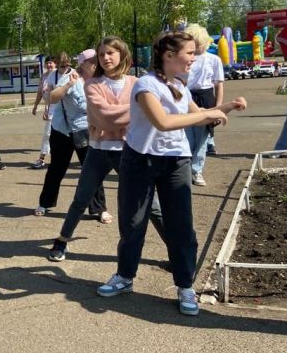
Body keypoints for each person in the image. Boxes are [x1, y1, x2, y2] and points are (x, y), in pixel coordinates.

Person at [97, 31, 247, 316]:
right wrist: (204, 116)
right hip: (139, 161)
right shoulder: (146, 85)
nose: (194, 58)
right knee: (133, 224)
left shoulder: (179, 84)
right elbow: (164, 122)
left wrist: (226, 107)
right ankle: (125, 277)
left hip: (175, 161)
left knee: (181, 227)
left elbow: (199, 111)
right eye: (190, 53)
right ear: (168, 56)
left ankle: (185, 286)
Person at [49, 38, 166, 261]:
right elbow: (105, 119)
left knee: (151, 204)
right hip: (98, 151)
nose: (105, 58)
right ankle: (62, 240)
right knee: (81, 199)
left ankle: (176, 251)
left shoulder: (135, 82)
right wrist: (142, 109)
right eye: (102, 55)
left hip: (131, 151)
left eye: (110, 53)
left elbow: (153, 109)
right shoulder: (92, 84)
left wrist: (145, 110)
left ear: (122, 55)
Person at [34, 52, 107, 221]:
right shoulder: (72, 76)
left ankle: (100, 208)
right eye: (94, 63)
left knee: (92, 170)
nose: (97, 66)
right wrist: (68, 85)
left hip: (86, 129)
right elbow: (52, 98)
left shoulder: (101, 80)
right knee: (57, 169)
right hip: (63, 129)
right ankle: (45, 203)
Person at [182, 24, 224, 186]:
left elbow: (219, 85)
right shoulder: (185, 59)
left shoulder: (214, 60)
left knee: (202, 138)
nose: (198, 48)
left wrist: (218, 107)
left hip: (206, 97)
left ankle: (196, 169)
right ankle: (185, 169)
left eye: (200, 44)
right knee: (187, 137)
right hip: (186, 96)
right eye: (194, 44)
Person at [30, 56, 57, 169]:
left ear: (55, 64)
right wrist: (35, 106)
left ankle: (85, 158)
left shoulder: (58, 75)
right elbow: (40, 93)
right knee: (48, 134)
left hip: (59, 109)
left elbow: (54, 95)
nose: (49, 65)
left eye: (51, 63)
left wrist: (47, 108)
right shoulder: (44, 76)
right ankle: (41, 159)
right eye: (47, 63)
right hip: (50, 109)